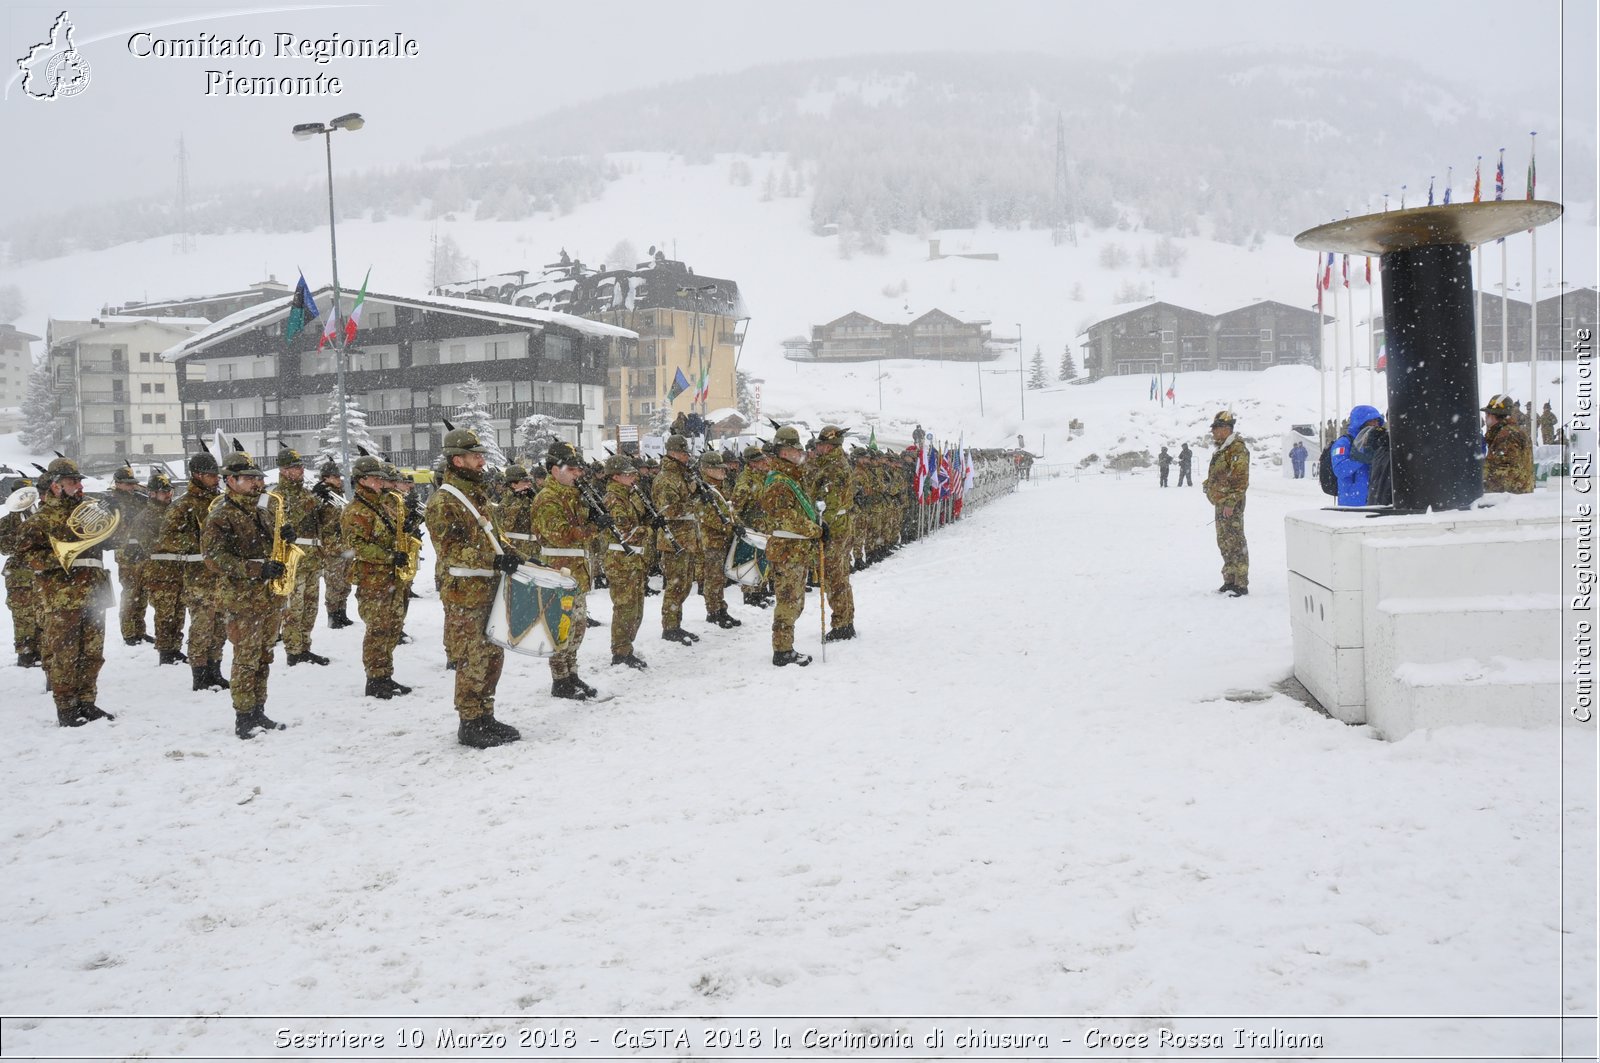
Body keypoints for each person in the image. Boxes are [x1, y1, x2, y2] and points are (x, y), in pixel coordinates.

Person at [426, 426, 520, 748]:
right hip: (465, 594)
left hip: (488, 588)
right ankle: (469, 722)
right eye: (475, 456)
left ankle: (486, 714)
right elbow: (451, 550)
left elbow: (494, 538)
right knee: (471, 658)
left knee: (493, 654)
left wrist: (510, 554)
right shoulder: (444, 501)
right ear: (457, 461)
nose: (482, 461)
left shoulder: (478, 495)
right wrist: (493, 560)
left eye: (481, 455)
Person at [14, 456, 116, 726]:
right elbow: (24, 557)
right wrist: (59, 557)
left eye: (79, 481)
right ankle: (67, 709)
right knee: (64, 654)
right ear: (57, 486)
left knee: (93, 652)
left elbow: (112, 539)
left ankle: (87, 701)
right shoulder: (40, 520)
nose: (78, 485)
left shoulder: (88, 511)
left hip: (94, 592)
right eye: (73, 481)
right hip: (61, 596)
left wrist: (117, 512)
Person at [202, 448, 290, 739]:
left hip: (267, 597)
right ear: (231, 480)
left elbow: (270, 549)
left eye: (258, 478)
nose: (257, 483)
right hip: (242, 599)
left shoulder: (263, 511)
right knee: (246, 658)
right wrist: (256, 569)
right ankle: (243, 716)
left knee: (265, 656)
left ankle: (258, 710)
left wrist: (285, 540)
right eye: (250, 478)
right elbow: (215, 559)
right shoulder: (220, 515)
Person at [529, 440, 600, 700]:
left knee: (577, 629)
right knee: (561, 628)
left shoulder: (574, 495)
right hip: (559, 573)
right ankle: (560, 680)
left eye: (578, 469)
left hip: (575, 572)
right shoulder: (547, 498)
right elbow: (560, 535)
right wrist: (593, 526)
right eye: (571, 469)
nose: (577, 473)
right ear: (553, 469)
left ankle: (572, 673)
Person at [341, 455, 413, 699]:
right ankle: (375, 679)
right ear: (362, 480)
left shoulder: (386, 504)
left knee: (393, 627)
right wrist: (390, 556)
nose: (382, 482)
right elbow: (357, 547)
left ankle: (386, 675)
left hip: (392, 578)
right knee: (377, 630)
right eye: (376, 478)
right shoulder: (356, 511)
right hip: (373, 580)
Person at [160, 448, 229, 692]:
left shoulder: (220, 501)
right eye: (211, 475)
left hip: (220, 574)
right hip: (199, 575)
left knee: (220, 625)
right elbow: (167, 538)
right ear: (197, 475)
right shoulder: (184, 505)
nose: (216, 479)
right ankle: (199, 674)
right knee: (202, 625)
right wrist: (198, 542)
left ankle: (215, 669)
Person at [758, 425, 823, 666]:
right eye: (796, 450)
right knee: (788, 601)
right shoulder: (779, 481)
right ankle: (782, 651)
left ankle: (786, 646)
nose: (800, 455)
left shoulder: (790, 477)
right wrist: (813, 530)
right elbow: (782, 518)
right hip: (787, 552)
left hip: (794, 551)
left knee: (794, 601)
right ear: (784, 451)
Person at [271, 446, 330, 667]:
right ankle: (294, 650)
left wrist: (324, 502)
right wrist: (313, 500)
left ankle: (305, 646)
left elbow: (323, 523)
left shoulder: (306, 494)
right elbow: (290, 519)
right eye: (295, 468)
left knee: (311, 608)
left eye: (300, 467)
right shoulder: (277, 496)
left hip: (312, 558)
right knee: (294, 609)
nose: (300, 471)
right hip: (293, 562)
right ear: (284, 470)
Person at [806, 424, 856, 641]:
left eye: (823, 445)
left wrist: (822, 526)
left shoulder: (833, 467)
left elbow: (830, 503)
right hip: (841, 524)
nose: (819, 448)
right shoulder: (832, 463)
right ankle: (846, 619)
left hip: (834, 528)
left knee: (835, 577)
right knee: (841, 576)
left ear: (831, 446)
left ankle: (841, 624)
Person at [652, 433, 703, 645]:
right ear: (673, 453)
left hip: (686, 538)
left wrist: (696, 491)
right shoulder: (666, 478)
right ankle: (669, 627)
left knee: (683, 584)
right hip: (673, 540)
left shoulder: (681, 475)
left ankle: (676, 624)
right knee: (675, 585)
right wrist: (697, 503)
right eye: (683, 453)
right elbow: (669, 510)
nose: (687, 457)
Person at [600, 454, 651, 669]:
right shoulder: (614, 499)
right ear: (616, 477)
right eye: (629, 474)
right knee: (625, 607)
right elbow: (624, 533)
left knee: (636, 607)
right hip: (620, 560)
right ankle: (620, 651)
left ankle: (626, 646)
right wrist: (649, 529)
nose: (634, 478)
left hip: (632, 560)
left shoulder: (628, 496)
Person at [132, 471, 185, 665]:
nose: (169, 495)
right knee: (165, 613)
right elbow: (151, 544)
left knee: (179, 611)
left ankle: (175, 647)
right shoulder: (144, 517)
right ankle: (165, 650)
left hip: (178, 570)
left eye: (169, 491)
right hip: (159, 572)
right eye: (164, 492)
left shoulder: (175, 512)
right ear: (152, 494)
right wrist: (177, 542)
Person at [1201, 411, 1250, 597]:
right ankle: (1229, 579)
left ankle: (1241, 583)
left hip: (1231, 504)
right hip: (1221, 503)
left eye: (1216, 429)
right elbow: (1220, 474)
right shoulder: (1223, 449)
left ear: (1226, 429)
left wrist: (1230, 501)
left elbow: (1240, 479)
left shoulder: (1237, 449)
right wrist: (1209, 485)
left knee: (1236, 542)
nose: (1213, 433)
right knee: (1224, 542)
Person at [693, 451, 742, 629]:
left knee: (719, 578)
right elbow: (707, 516)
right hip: (711, 541)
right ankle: (713, 611)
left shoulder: (718, 488)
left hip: (722, 540)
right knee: (713, 578)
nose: (723, 471)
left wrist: (736, 524)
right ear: (707, 470)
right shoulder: (703, 490)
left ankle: (721, 608)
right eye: (718, 468)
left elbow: (727, 511)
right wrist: (730, 527)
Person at [0, 474, 42, 668]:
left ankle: (41, 650)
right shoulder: (6, 521)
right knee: (22, 614)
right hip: (18, 575)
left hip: (40, 571)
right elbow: (3, 546)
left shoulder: (40, 515)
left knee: (41, 612)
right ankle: (25, 653)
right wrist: (21, 538)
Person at [108, 464, 152, 646]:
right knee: (129, 594)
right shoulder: (111, 501)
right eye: (127, 484)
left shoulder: (139, 499)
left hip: (142, 551)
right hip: (126, 553)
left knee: (143, 593)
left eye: (132, 483)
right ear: (117, 484)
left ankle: (140, 630)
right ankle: (128, 632)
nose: (131, 486)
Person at [1330, 404, 1385, 506]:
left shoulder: (1379, 442)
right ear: (1359, 423)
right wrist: (1361, 458)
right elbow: (1340, 470)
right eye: (1371, 421)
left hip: (1377, 503)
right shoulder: (1344, 443)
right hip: (1352, 507)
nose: (1375, 425)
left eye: (1377, 421)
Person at [1481, 394, 1535, 494]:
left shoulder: (1506, 436)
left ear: (1493, 414)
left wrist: (1479, 480)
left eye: (1487, 413)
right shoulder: (1515, 431)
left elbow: (1505, 473)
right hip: (1517, 497)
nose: (1485, 417)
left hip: (1509, 500)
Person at [495, 463, 540, 563]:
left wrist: (536, 498)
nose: (529, 483)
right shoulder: (505, 503)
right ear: (513, 484)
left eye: (529, 480)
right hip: (517, 550)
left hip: (534, 549)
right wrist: (518, 501)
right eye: (524, 481)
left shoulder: (529, 498)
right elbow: (505, 526)